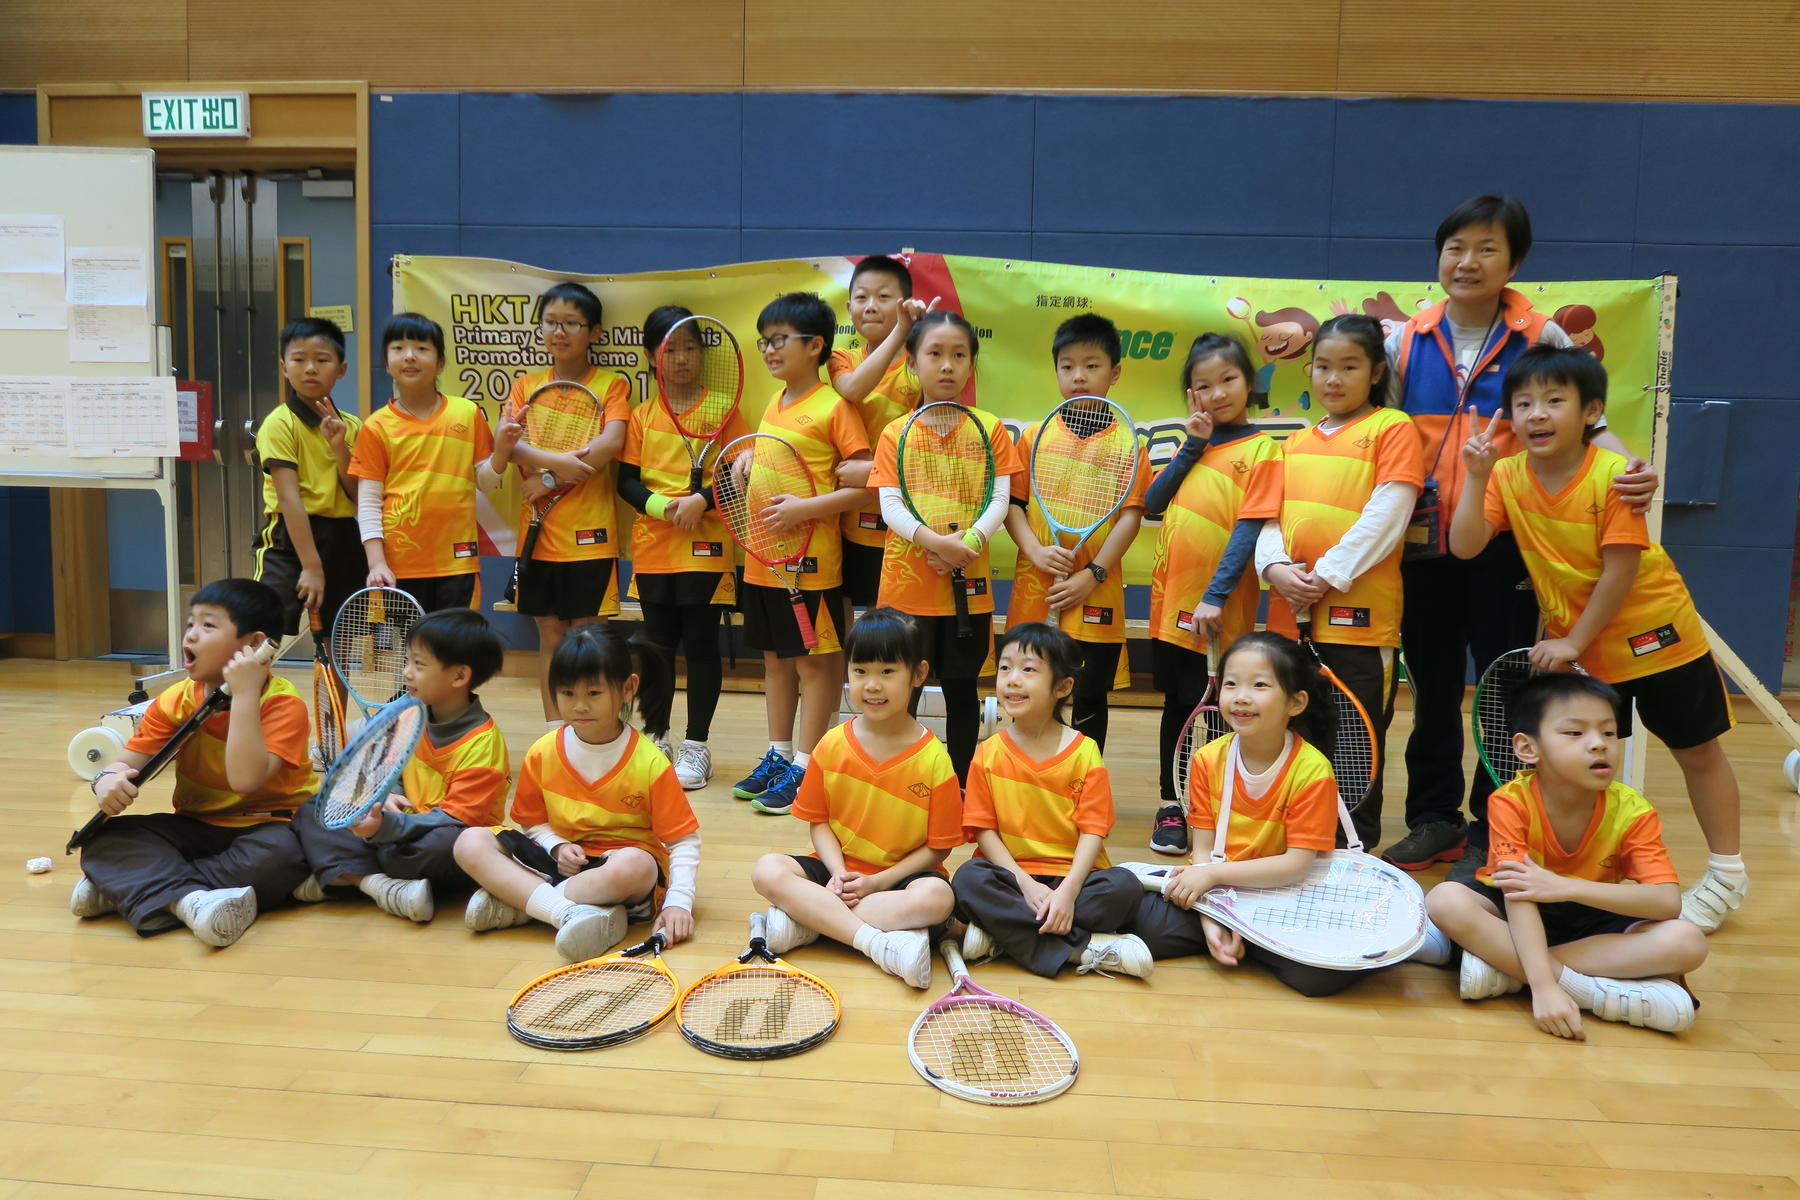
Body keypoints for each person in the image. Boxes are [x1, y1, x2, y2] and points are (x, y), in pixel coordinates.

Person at [1382, 195, 1657, 875]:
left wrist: (1632, 470)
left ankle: (1495, 821)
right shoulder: (1403, 340)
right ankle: (1434, 818)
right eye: (1455, 247)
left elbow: (1592, 427)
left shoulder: (1544, 336)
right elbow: (1377, 434)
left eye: (1487, 249)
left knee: (1505, 684)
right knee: (1432, 688)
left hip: (1507, 539)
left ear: (1514, 262)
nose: (1467, 262)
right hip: (1421, 542)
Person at [1449, 345, 1746, 932]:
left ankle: (1727, 874)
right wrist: (1475, 475)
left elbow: (1621, 571)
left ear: (1591, 412)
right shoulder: (1506, 474)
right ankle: (1595, 874)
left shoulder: (1615, 476)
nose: (1537, 413)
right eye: (1523, 403)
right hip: (1586, 650)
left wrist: (1572, 643)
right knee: (1585, 764)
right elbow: (1464, 545)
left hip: (1656, 635)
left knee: (1697, 752)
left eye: (1554, 401)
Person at [1423, 674, 1708, 1036]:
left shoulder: (1633, 810)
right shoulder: (1510, 802)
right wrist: (1544, 990)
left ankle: (1507, 970)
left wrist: (1564, 887)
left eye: (1608, 732)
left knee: (1688, 942)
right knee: (1446, 900)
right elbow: (1519, 895)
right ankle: (1590, 991)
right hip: (1520, 915)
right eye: (1575, 733)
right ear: (1528, 748)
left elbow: (1666, 902)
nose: (1599, 744)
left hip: (1592, 919)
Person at [71, 579, 312, 947]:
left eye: (208, 625)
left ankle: (135, 889)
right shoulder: (176, 700)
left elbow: (244, 780)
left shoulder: (282, 704)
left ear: (253, 645)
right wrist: (106, 780)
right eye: (190, 624)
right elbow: (123, 763)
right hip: (196, 826)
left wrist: (245, 693)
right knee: (106, 839)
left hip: (269, 827)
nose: (192, 635)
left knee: (283, 858)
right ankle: (188, 901)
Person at [1258, 314, 1423, 848]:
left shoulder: (1392, 428)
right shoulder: (1292, 443)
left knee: (1356, 740)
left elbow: (1390, 511)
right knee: (1295, 736)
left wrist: (1326, 576)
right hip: (1289, 620)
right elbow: (1267, 518)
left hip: (1361, 623)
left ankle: (1355, 849)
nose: (1333, 378)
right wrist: (1275, 569)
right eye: (1323, 366)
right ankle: (1297, 845)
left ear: (1375, 372)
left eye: (1349, 367)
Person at [1129, 632, 1364, 996]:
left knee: (1319, 978)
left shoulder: (1313, 771)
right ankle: (1250, 942)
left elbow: (1297, 865)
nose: (1241, 696)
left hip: (1282, 895)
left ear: (1296, 702)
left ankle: (1255, 939)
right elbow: (1201, 853)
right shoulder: (1207, 760)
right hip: (1219, 892)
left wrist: (1211, 877)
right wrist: (1211, 920)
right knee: (1125, 903)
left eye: (1259, 685)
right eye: (1231, 684)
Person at [453, 626, 700, 961]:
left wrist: (678, 904)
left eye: (594, 693)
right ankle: (568, 912)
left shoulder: (650, 763)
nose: (580, 706)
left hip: (617, 869)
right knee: (469, 842)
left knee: (636, 866)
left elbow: (683, 842)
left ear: (628, 688)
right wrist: (557, 846)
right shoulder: (543, 752)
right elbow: (533, 823)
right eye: (568, 693)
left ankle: (526, 904)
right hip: (559, 863)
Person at [748, 608, 962, 988]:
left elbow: (938, 849)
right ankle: (874, 942)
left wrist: (878, 882)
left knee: (937, 898)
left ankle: (812, 921)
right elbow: (819, 823)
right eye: (860, 671)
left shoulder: (934, 760)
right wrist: (836, 873)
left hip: (899, 879)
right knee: (767, 869)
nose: (872, 685)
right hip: (838, 875)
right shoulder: (831, 744)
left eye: (887, 671)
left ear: (918, 674)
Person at [730, 292, 872, 815]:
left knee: (813, 667)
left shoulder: (836, 407)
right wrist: (748, 460)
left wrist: (805, 509)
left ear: (815, 346)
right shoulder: (774, 402)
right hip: (763, 562)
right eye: (763, 342)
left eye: (779, 340)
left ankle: (809, 765)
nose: (769, 350)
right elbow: (780, 458)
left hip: (810, 566)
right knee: (774, 661)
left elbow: (867, 487)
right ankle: (778, 754)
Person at [1143, 333, 1282, 855]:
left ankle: (1216, 805)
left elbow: (1248, 530)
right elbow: (1154, 500)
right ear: (1190, 395)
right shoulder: (1193, 444)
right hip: (1169, 604)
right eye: (1203, 385)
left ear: (1249, 382)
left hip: (1218, 609)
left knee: (1225, 711)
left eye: (1228, 380)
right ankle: (1172, 805)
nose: (1217, 393)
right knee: (1177, 706)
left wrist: (1216, 596)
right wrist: (1193, 444)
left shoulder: (1264, 450)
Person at [868, 309, 1021, 782]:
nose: (948, 365)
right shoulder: (895, 432)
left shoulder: (990, 428)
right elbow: (889, 505)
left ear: (972, 364)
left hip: (967, 590)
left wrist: (967, 543)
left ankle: (958, 784)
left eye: (959, 355)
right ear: (913, 363)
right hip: (906, 592)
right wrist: (936, 542)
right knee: (900, 691)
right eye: (935, 354)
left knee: (961, 690)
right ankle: (898, 777)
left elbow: (1000, 500)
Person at [951, 623, 1152, 980]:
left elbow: (1093, 831)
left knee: (1124, 888)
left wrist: (1068, 893)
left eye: (1028, 669)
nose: (1012, 679)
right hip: (1011, 876)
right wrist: (1026, 885)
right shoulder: (987, 752)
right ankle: (1081, 950)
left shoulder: (1085, 752)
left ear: (1062, 687)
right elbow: (983, 831)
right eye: (1005, 667)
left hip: (1073, 878)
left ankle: (1003, 936)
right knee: (968, 879)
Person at [291, 608, 509, 922]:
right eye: (407, 661)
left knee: (440, 846)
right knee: (316, 810)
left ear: (459, 677)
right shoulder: (408, 714)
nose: (406, 672)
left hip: (444, 835)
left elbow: (455, 819)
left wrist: (385, 828)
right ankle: (378, 886)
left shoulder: (483, 744)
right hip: (400, 825)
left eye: (419, 664)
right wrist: (386, 795)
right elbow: (387, 771)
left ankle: (345, 875)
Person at [480, 282, 631, 723]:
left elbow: (611, 444)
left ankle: (595, 728)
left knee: (590, 636)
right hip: (538, 536)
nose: (559, 332)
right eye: (550, 322)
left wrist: (547, 478)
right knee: (550, 636)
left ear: (595, 332)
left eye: (571, 324)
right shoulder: (525, 385)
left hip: (591, 536)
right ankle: (555, 733)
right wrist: (558, 465)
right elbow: (508, 444)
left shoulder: (612, 385)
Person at [618, 303, 752, 788]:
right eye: (669, 349)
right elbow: (627, 482)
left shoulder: (724, 409)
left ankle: (697, 747)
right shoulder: (641, 415)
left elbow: (743, 472)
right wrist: (665, 508)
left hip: (707, 547)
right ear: (651, 355)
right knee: (656, 649)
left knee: (701, 645)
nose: (680, 359)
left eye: (689, 349)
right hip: (654, 548)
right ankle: (656, 738)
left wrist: (702, 501)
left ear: (702, 354)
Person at [1005, 314, 1151, 750]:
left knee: (1089, 698)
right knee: (1030, 694)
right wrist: (1035, 550)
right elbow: (1013, 506)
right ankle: (1029, 776)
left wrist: (1094, 574)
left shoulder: (1130, 445)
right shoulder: (1033, 437)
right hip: (1037, 589)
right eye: (1067, 366)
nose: (1078, 376)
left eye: (1091, 365)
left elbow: (1131, 518)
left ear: (1114, 372)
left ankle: (1083, 782)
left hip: (1095, 593)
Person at [350, 313, 494, 611]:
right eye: (398, 348)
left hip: (458, 561)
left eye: (421, 348)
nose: (409, 356)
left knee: (455, 638)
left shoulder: (468, 413)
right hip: (397, 568)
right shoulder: (375, 427)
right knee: (409, 643)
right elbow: (369, 502)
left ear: (440, 364)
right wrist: (376, 563)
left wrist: (502, 451)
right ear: (387, 364)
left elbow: (487, 483)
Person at [828, 255, 927, 625]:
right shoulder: (840, 357)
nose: (870, 306)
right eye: (861, 297)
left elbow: (928, 451)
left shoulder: (921, 364)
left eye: (884, 297)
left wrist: (871, 472)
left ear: (903, 303)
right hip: (842, 518)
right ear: (848, 307)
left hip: (899, 518)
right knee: (840, 612)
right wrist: (902, 330)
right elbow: (854, 389)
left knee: (888, 623)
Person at [252, 316, 363, 639]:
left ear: (341, 369)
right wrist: (312, 567)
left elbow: (357, 494)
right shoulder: (280, 423)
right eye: (299, 359)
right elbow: (289, 499)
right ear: (284, 367)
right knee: (261, 629)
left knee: (339, 637)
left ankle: (332, 677)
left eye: (322, 360)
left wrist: (339, 447)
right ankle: (248, 677)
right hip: (289, 537)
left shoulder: (353, 426)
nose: (310, 368)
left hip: (343, 537)